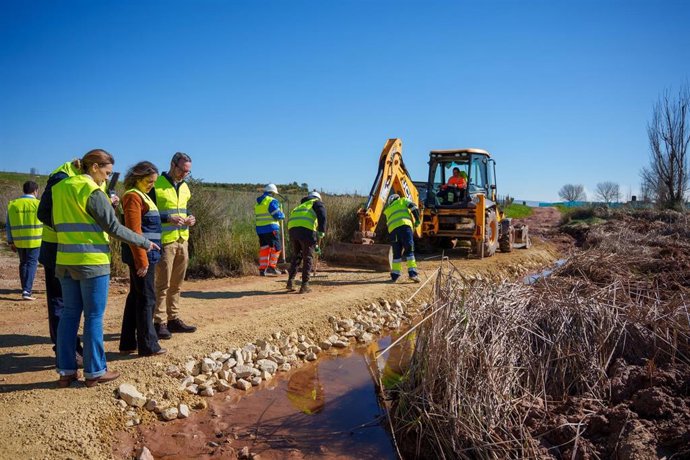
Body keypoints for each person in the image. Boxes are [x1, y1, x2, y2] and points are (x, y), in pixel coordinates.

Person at [51, 149, 158, 388]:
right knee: (93, 317)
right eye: (106, 173)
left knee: (68, 315)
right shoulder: (92, 191)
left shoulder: (60, 188)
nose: (107, 179)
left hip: (65, 260)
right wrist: (143, 242)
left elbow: (51, 217)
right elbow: (113, 227)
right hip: (92, 261)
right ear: (94, 167)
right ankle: (95, 371)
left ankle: (66, 372)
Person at [37, 161, 84, 364]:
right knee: (60, 301)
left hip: (74, 249)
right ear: (90, 166)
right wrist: (67, 229)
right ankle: (65, 350)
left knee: (73, 302)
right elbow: (44, 213)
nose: (106, 178)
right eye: (105, 172)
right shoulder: (61, 177)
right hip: (56, 247)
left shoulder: (82, 178)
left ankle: (72, 347)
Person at [119, 161, 166, 357]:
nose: (152, 185)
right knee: (147, 298)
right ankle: (148, 345)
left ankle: (128, 343)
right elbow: (133, 230)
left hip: (147, 253)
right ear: (138, 177)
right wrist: (142, 260)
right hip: (142, 254)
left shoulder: (142, 195)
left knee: (136, 297)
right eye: (149, 181)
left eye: (154, 182)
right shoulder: (133, 196)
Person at [149, 152, 197, 340]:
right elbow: (148, 213)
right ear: (172, 164)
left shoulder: (185, 187)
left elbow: (184, 208)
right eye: (182, 170)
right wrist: (167, 218)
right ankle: (158, 322)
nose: (184, 174)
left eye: (188, 172)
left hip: (182, 239)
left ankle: (173, 319)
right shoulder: (156, 184)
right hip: (164, 240)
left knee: (177, 284)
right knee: (162, 284)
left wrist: (191, 218)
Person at [6, 181, 42, 300]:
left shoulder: (13, 204)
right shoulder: (39, 204)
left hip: (19, 241)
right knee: (32, 263)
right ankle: (27, 291)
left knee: (23, 263)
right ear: (35, 191)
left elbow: (9, 224)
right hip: (35, 240)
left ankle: (25, 288)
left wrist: (10, 241)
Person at [286, 191, 327, 294]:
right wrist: (322, 231)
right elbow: (322, 215)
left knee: (297, 255)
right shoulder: (316, 202)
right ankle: (305, 285)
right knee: (307, 257)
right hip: (306, 230)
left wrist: (316, 245)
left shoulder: (301, 206)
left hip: (293, 230)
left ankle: (290, 281)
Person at [383, 193, 421, 283]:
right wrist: (417, 219)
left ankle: (394, 276)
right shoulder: (403, 200)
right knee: (409, 250)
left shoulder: (387, 210)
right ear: (397, 198)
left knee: (396, 254)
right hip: (405, 227)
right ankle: (413, 274)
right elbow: (414, 207)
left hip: (393, 232)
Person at [254, 183, 285, 276]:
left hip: (260, 229)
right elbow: (277, 214)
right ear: (272, 193)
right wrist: (282, 215)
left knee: (264, 248)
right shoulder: (271, 201)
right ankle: (272, 267)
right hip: (271, 228)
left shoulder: (258, 202)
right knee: (277, 248)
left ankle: (262, 269)